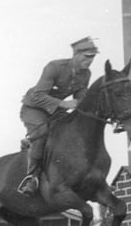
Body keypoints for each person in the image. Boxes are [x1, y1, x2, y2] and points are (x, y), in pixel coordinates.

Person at [16, 37, 99, 195]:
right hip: (34, 108)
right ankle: (31, 178)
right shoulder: (54, 67)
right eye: (86, 56)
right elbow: (38, 96)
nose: (89, 61)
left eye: (92, 57)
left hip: (55, 110)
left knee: (70, 131)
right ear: (75, 54)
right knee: (41, 133)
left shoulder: (85, 74)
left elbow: (80, 99)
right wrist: (64, 104)